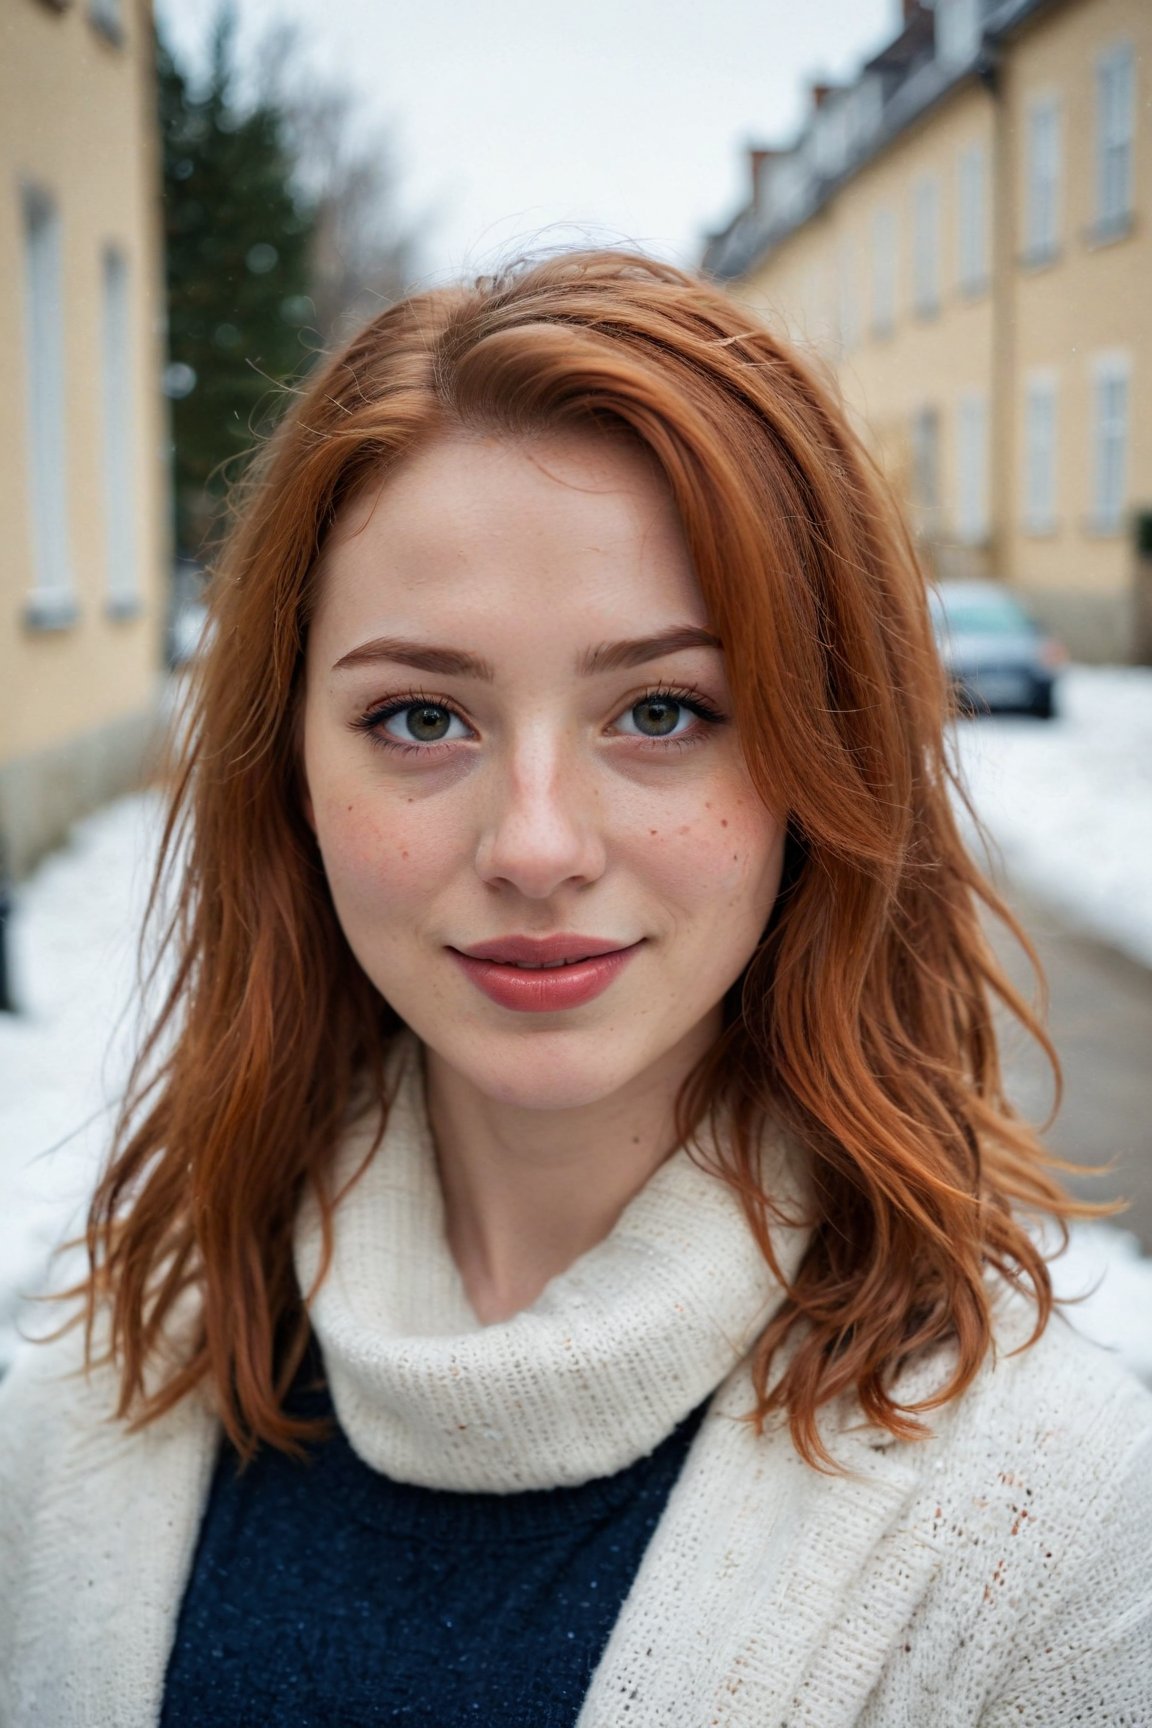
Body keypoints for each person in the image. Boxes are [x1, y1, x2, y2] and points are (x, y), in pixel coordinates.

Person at [1, 251, 1149, 1727]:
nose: (536, 844)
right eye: (421, 717)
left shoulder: (1048, 1530)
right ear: (286, 772)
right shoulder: (91, 1409)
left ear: (828, 758)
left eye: (662, 710)